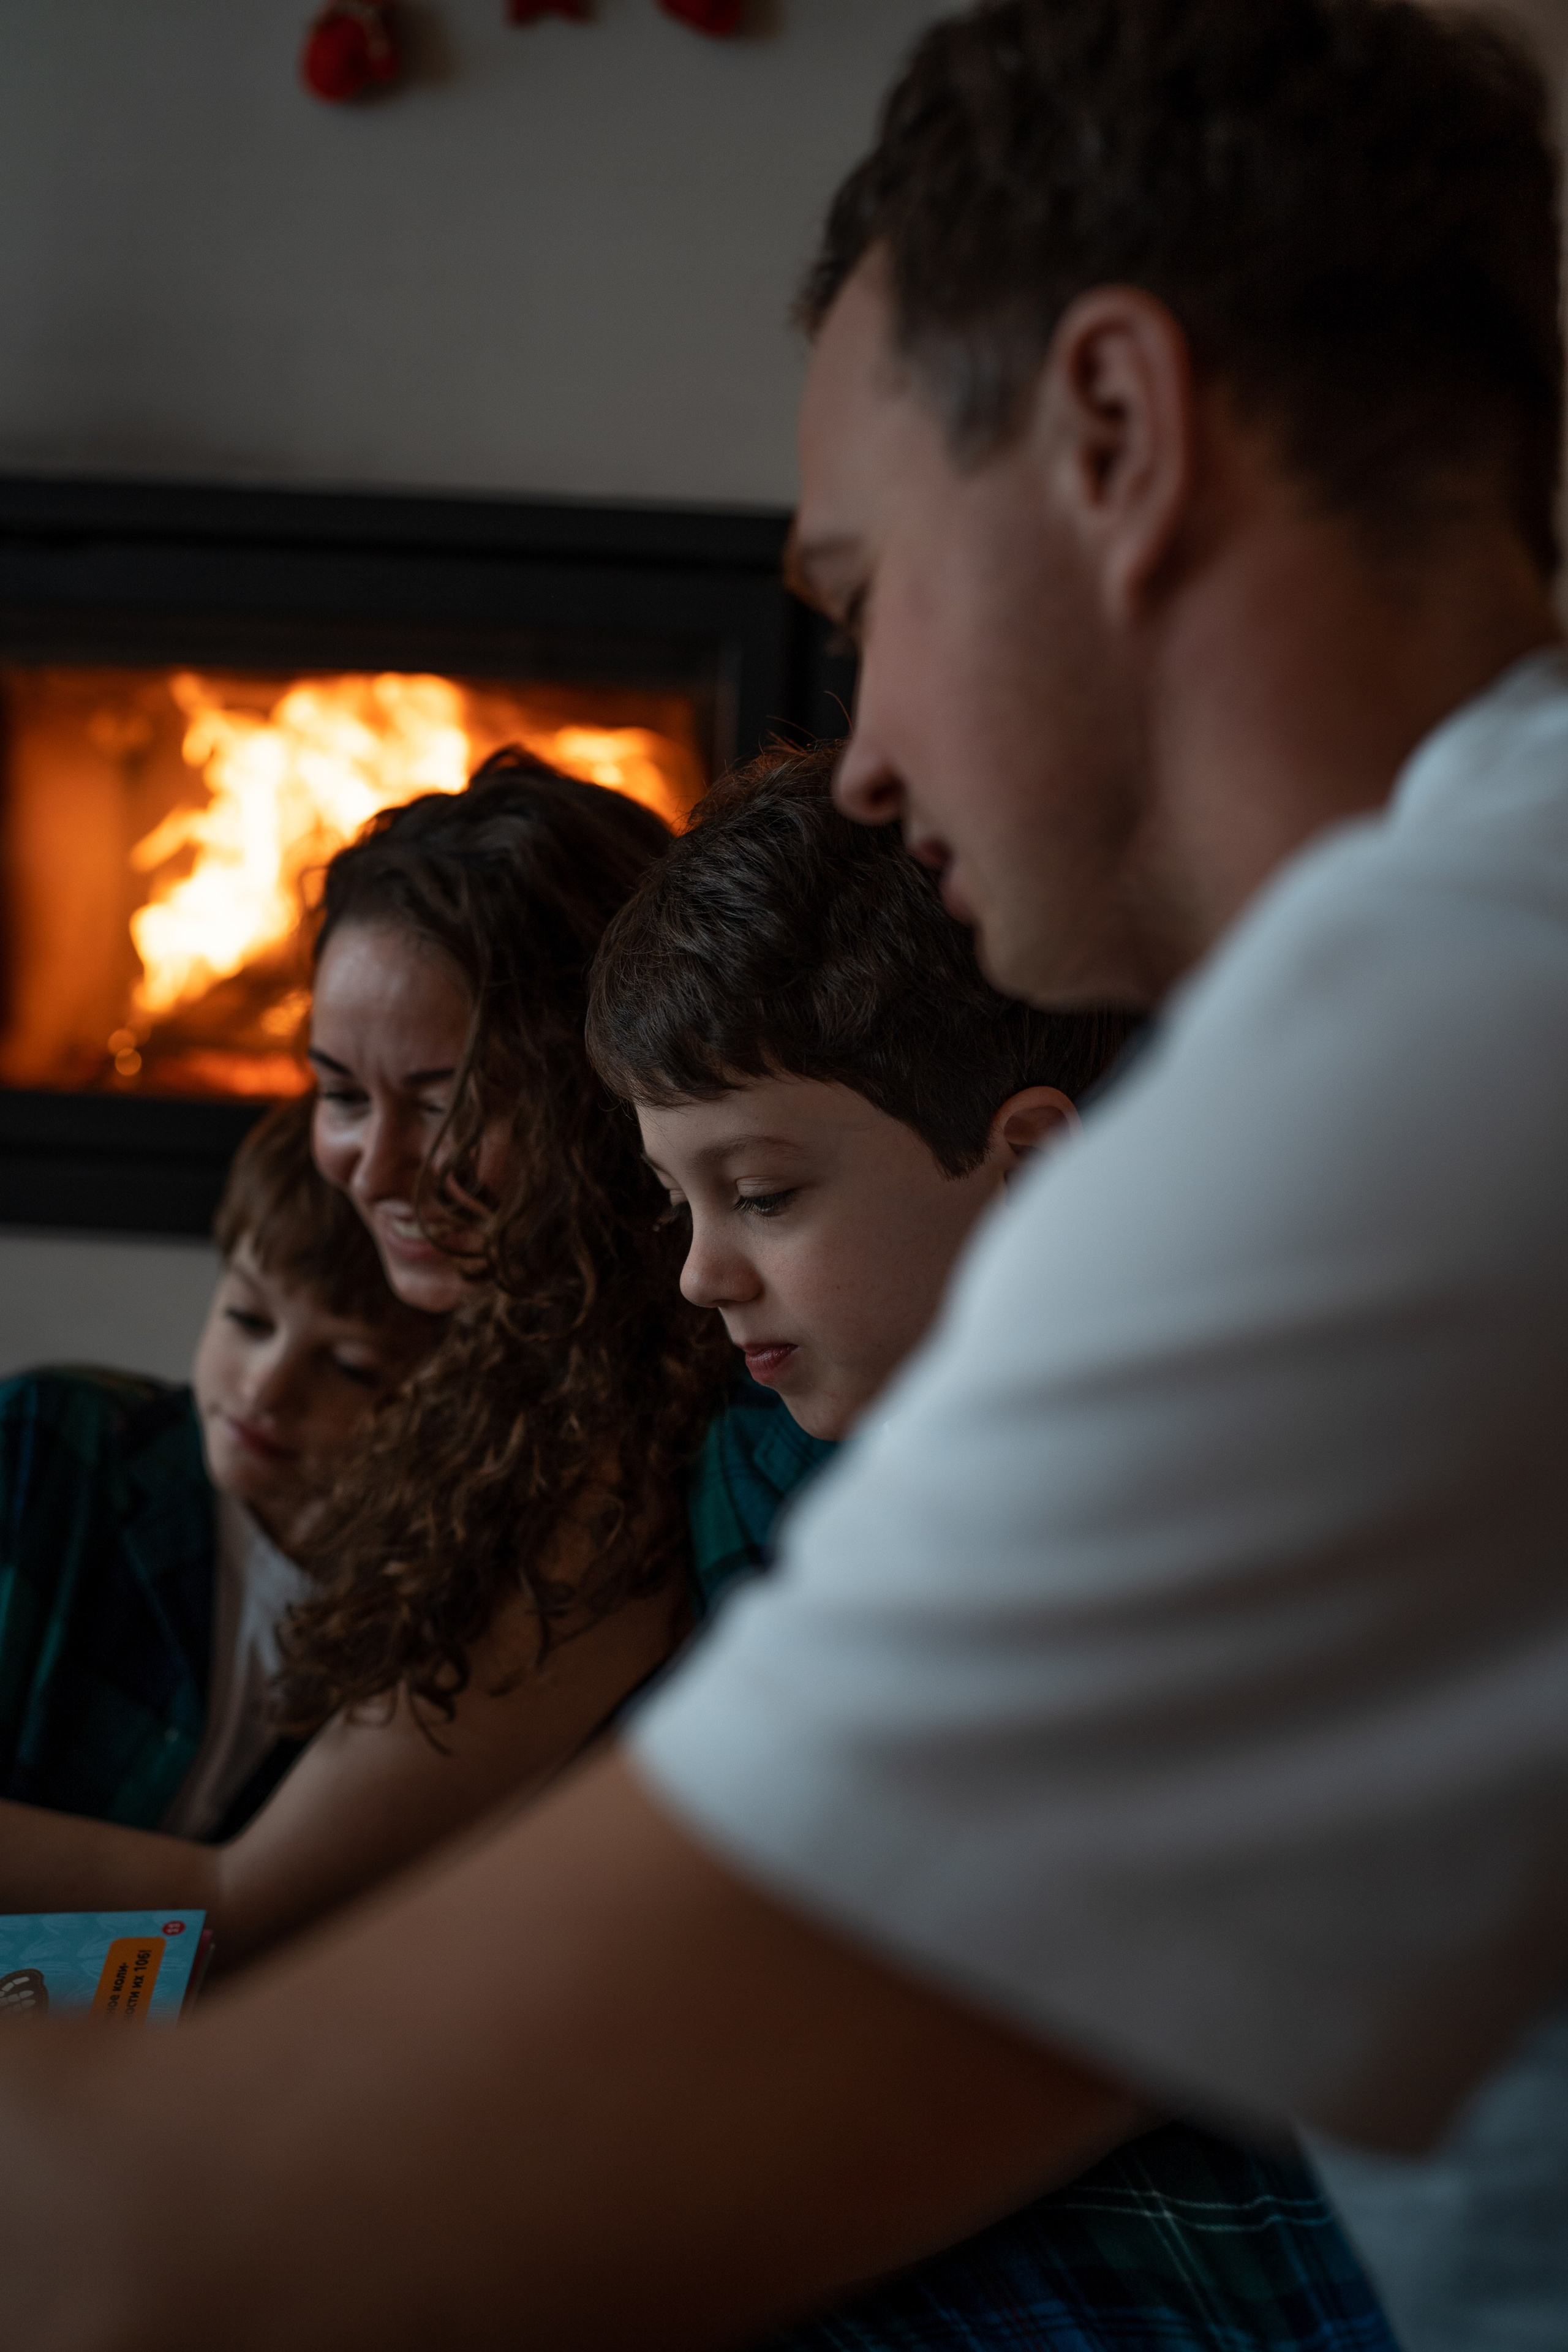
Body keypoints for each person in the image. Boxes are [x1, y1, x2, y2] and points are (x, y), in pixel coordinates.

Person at [0, 4, 1565, 2346]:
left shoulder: (1425, 1071)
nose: (849, 763)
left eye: (856, 606)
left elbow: (194, 2236)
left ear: (1115, 436)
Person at [588, 744, 1394, 2352]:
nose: (702, 1275)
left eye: (760, 1193)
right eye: (679, 1203)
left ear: (1029, 1163)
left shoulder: (1228, 1471)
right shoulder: (763, 1477)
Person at [0, 758, 729, 1966]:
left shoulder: (613, 1459)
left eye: (442, 1102)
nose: (375, 1169)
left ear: (591, 1092)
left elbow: (250, 1904)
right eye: (339, 1093)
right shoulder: (503, 1367)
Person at [0, 1096, 439, 1841]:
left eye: (349, 1367)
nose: (265, 1390)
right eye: (247, 1319)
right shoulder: (46, 1444)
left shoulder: (428, 1602)